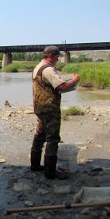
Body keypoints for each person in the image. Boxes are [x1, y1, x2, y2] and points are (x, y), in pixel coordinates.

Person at [30, 46, 80, 179]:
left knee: (40, 135)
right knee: (53, 138)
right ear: (51, 56)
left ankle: (34, 165)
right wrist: (75, 80)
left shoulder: (38, 67)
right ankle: (50, 172)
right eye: (57, 57)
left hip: (40, 107)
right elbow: (62, 86)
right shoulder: (48, 70)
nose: (58, 59)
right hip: (50, 109)